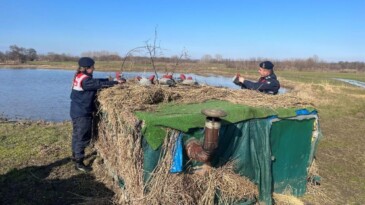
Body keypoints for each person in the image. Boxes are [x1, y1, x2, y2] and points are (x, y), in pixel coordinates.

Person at [70, 57, 125, 172]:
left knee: (76, 135)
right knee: (83, 137)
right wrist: (115, 82)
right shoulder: (86, 81)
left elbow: (96, 82)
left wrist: (107, 79)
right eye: (93, 66)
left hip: (76, 111)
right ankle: (79, 162)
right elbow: (98, 85)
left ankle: (75, 156)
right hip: (82, 113)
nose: (94, 68)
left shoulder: (80, 76)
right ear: (87, 68)